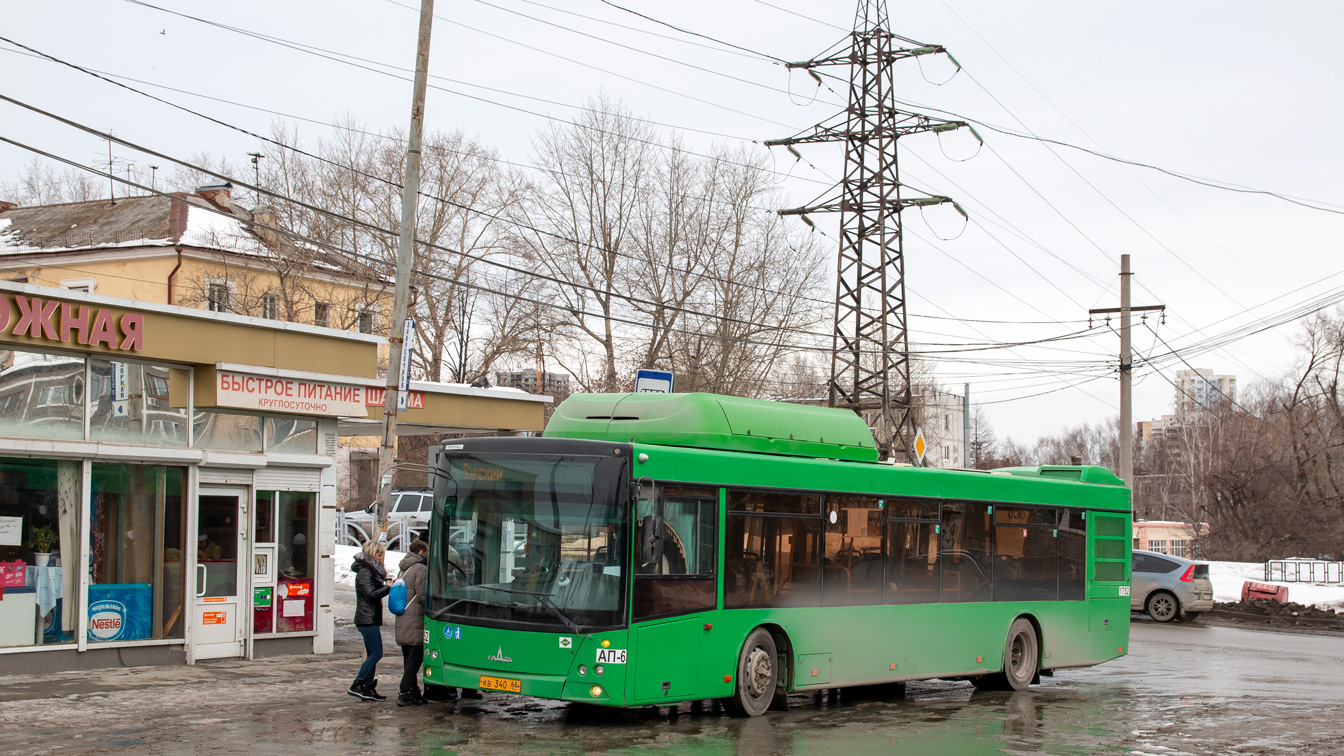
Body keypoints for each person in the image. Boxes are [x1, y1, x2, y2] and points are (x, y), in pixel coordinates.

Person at [349, 540, 391, 702]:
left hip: (370, 617)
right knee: (376, 653)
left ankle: (367, 688)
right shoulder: (365, 571)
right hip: (366, 618)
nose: (382, 558)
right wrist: (388, 587)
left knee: (372, 653)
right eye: (379, 554)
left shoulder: (370, 571)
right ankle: (357, 684)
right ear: (373, 554)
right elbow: (370, 594)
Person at [394, 540, 432, 706]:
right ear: (422, 551)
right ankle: (404, 692)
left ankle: (413, 692)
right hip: (415, 620)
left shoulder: (403, 568)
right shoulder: (421, 569)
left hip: (402, 618)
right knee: (415, 660)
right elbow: (422, 595)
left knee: (408, 658)